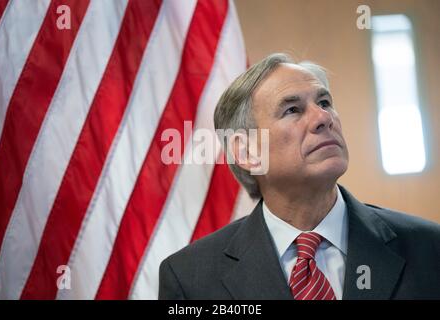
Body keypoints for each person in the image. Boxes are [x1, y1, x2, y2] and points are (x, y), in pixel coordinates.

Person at [158, 53, 440, 300]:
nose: (323, 118)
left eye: (325, 102)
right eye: (292, 109)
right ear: (247, 152)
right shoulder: (190, 278)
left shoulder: (429, 247)